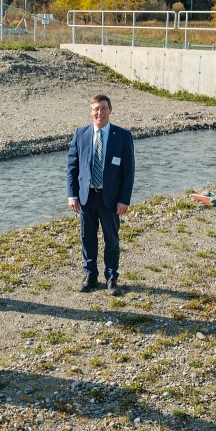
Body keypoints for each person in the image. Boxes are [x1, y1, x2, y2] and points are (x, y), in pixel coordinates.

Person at [67, 94, 135, 296]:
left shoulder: (122, 136)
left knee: (111, 239)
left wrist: (124, 200)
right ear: (91, 111)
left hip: (111, 199)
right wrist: (72, 195)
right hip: (86, 197)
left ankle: (112, 277)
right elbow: (72, 167)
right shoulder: (81, 134)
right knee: (87, 237)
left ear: (110, 110)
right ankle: (90, 275)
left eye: (104, 108)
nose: (100, 113)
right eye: (96, 109)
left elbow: (128, 172)